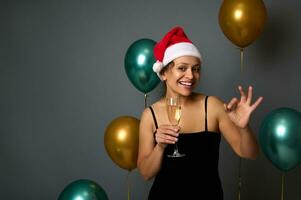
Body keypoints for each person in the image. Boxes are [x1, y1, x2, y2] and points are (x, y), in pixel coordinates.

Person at [137, 26, 263, 200]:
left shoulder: (212, 106)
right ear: (164, 72)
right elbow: (145, 173)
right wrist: (160, 146)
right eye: (182, 68)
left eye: (196, 69)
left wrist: (244, 127)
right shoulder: (149, 115)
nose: (191, 75)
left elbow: (250, 153)